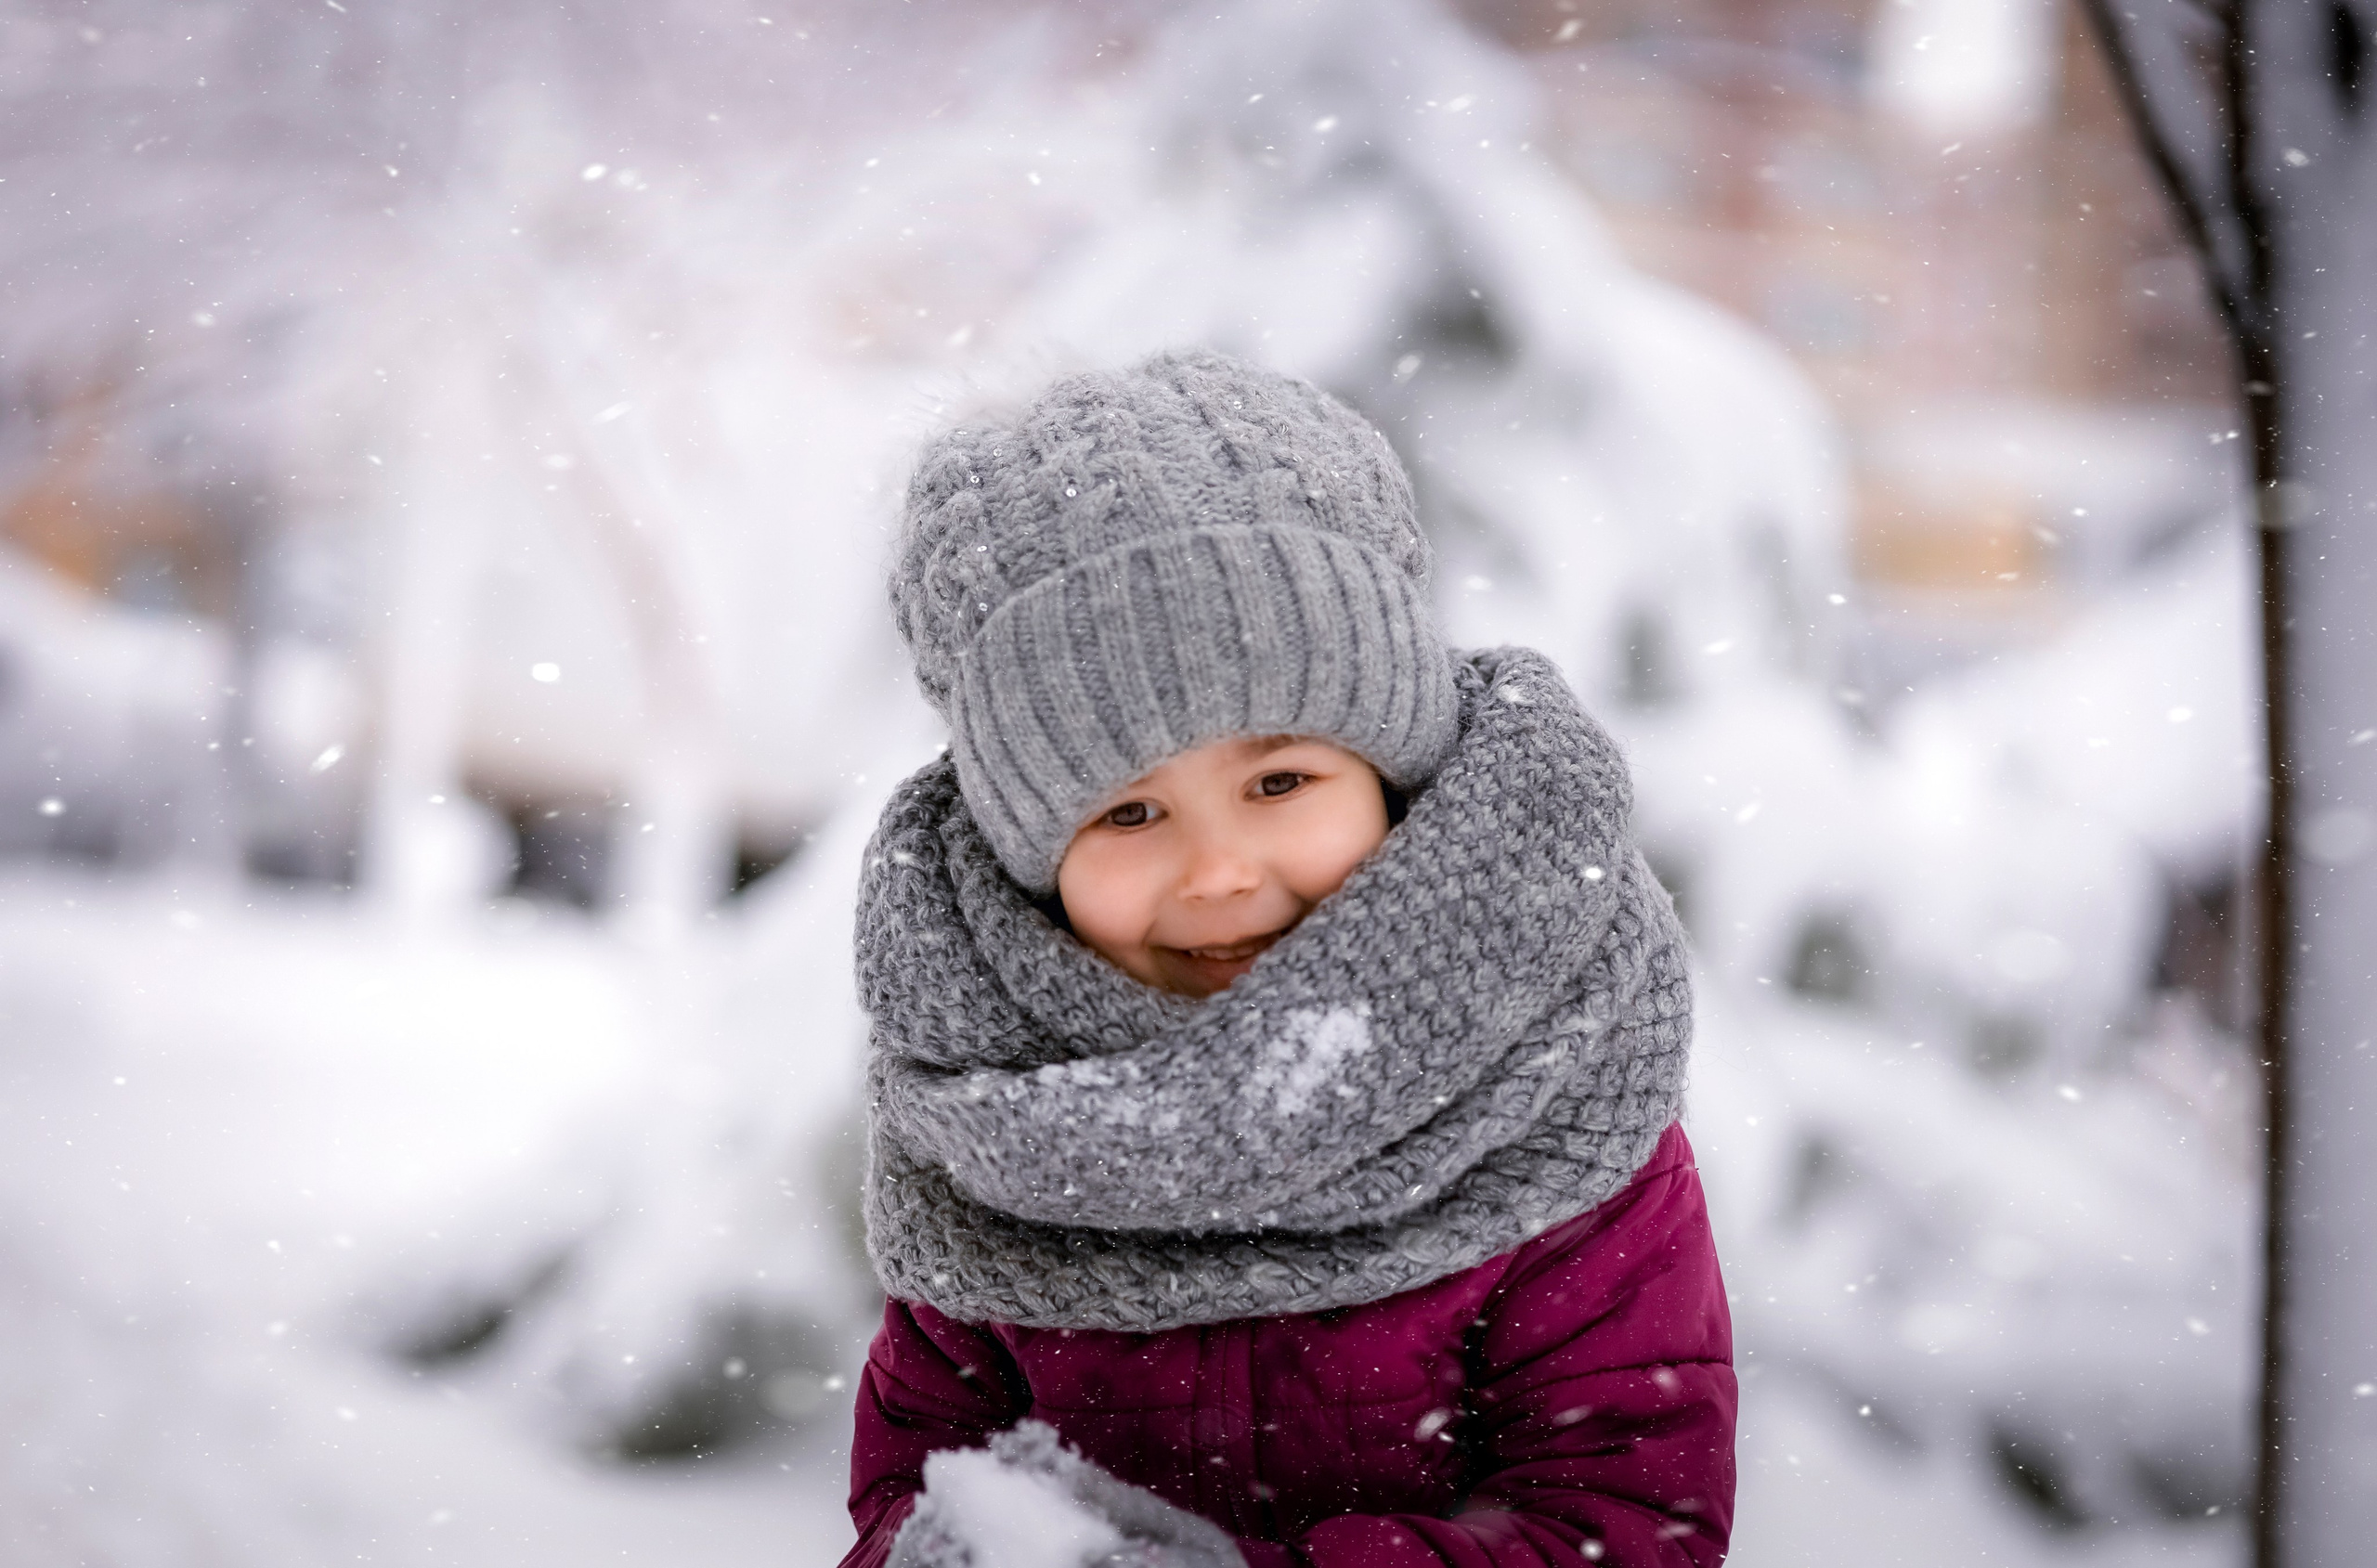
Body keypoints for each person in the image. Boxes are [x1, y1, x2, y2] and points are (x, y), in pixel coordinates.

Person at [841, 350, 1732, 1567]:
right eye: (1128, 814)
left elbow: (1622, 1525)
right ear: (1029, 858)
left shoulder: (1548, 1107)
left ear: (1393, 775)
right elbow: (916, 1482)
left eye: (1279, 780)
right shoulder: (998, 1125)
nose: (1217, 870)